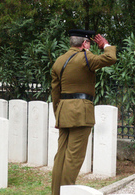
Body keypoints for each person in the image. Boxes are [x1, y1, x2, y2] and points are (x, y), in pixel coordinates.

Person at [50, 29, 117, 195]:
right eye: (89, 43)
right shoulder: (85, 57)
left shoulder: (59, 61)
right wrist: (105, 45)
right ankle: (67, 192)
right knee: (73, 157)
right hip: (80, 113)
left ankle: (56, 193)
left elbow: (55, 92)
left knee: (61, 156)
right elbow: (111, 58)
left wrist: (58, 115)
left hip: (63, 111)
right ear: (85, 43)